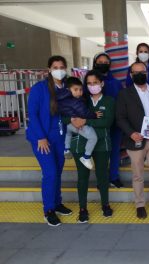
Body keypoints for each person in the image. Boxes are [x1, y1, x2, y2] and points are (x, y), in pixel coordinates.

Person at [116, 62, 149, 219]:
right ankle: (140, 204)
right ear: (131, 74)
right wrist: (131, 133)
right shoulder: (124, 94)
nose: (140, 74)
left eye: (143, 71)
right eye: (136, 72)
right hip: (136, 140)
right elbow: (120, 118)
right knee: (138, 175)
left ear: (146, 73)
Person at [26, 55, 72, 226]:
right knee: (50, 172)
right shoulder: (40, 88)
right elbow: (33, 114)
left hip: (59, 137)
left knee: (58, 172)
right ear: (49, 69)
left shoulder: (67, 88)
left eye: (62, 67)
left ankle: (57, 203)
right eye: (55, 67)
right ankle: (49, 209)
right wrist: (40, 137)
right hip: (42, 138)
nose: (59, 70)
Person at [64, 70, 114, 223]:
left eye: (95, 83)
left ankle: (105, 204)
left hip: (102, 144)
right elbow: (65, 116)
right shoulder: (81, 99)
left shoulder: (109, 101)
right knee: (82, 178)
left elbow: (107, 122)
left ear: (102, 84)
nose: (93, 86)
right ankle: (83, 208)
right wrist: (74, 120)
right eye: (89, 83)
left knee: (102, 176)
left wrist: (85, 120)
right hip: (81, 145)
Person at [93, 52, 124, 188]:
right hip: (97, 124)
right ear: (95, 63)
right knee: (100, 152)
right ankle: (102, 179)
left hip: (115, 124)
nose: (103, 64)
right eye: (100, 62)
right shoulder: (89, 82)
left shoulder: (116, 83)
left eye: (106, 62)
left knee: (115, 151)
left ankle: (113, 177)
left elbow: (122, 103)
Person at [60, 77, 101, 170]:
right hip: (78, 124)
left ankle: (66, 149)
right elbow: (84, 113)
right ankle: (86, 157)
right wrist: (94, 115)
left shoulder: (62, 99)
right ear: (68, 90)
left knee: (68, 133)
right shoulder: (76, 101)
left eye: (81, 89)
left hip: (68, 125)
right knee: (93, 137)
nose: (79, 92)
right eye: (75, 90)